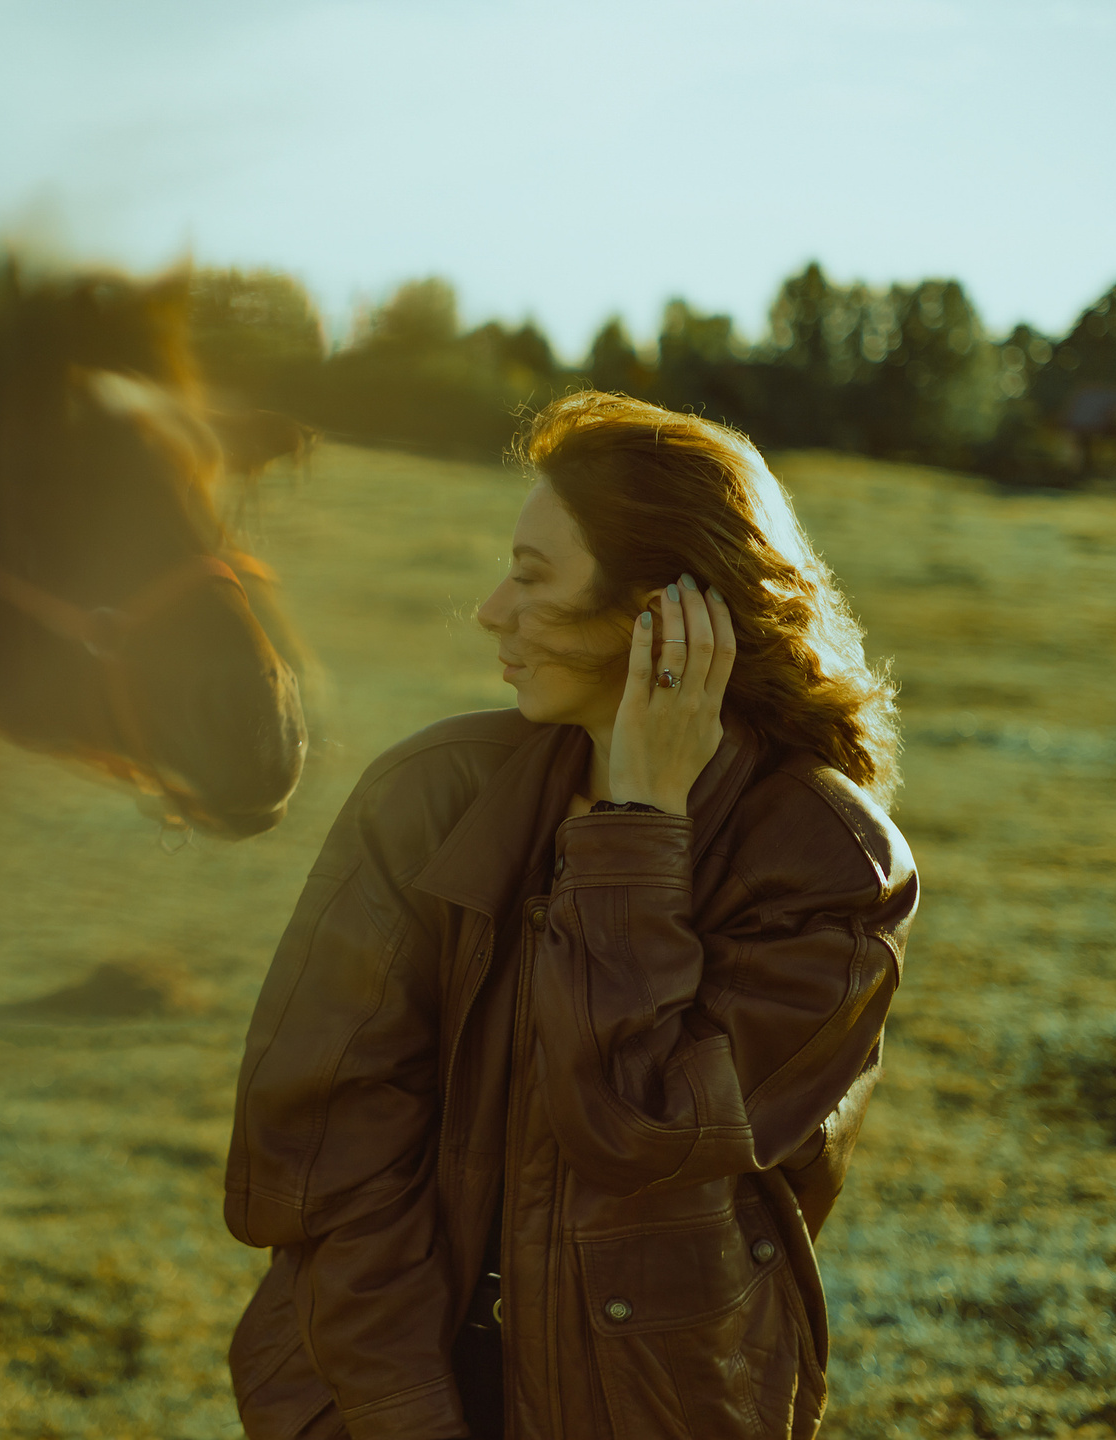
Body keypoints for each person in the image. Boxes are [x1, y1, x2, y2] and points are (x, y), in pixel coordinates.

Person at [224, 391, 917, 1440]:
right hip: (366, 1394)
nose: (491, 612)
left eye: (534, 578)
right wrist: (402, 1415)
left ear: (667, 609)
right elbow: (325, 1152)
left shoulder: (829, 868)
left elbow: (638, 1127)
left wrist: (638, 828)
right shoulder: (428, 799)